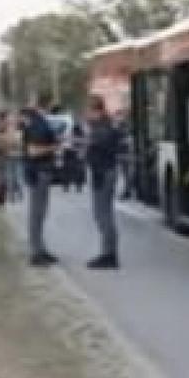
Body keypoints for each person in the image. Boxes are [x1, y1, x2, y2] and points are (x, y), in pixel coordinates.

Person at [85, 96, 123, 269]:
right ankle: (109, 252)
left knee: (102, 214)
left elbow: (96, 148)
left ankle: (109, 255)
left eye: (89, 111)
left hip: (103, 172)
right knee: (104, 213)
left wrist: (85, 146)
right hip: (107, 171)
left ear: (96, 111)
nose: (87, 114)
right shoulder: (106, 126)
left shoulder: (101, 128)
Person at [22, 96, 60, 266]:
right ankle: (36, 252)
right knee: (37, 214)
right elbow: (33, 151)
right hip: (39, 172)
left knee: (40, 214)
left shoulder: (38, 122)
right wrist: (55, 147)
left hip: (40, 172)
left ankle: (40, 249)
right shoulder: (38, 124)